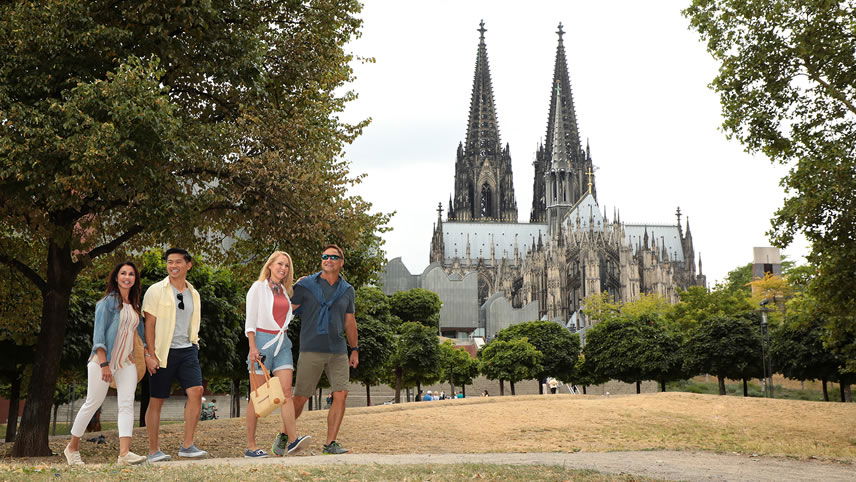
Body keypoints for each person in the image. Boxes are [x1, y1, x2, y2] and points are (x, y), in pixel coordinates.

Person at [64, 262, 147, 466]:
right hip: (102, 362)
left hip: (125, 363)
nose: (127, 277)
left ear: (135, 279)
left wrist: (146, 355)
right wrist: (104, 364)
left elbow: (140, 336)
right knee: (92, 403)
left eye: (131, 274)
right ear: (116, 277)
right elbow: (98, 337)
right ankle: (72, 447)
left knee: (126, 405)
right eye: (123, 273)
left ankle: (124, 454)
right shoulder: (107, 303)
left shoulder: (134, 306)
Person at [291, 244, 358, 455]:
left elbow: (349, 321)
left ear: (341, 263)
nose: (328, 259)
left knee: (341, 393)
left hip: (338, 350)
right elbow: (286, 310)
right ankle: (285, 435)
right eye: (325, 256)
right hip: (311, 347)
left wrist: (354, 348)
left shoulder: (347, 290)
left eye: (333, 257)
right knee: (301, 396)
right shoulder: (305, 285)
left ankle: (330, 443)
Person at [142, 248, 207, 462]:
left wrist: (194, 344)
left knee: (196, 391)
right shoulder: (156, 290)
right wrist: (150, 354)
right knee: (157, 400)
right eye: (170, 262)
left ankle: (187, 445)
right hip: (162, 351)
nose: (173, 266)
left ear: (188, 265)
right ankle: (153, 451)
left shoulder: (194, 293)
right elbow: (149, 324)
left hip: (187, 349)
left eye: (178, 261)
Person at [244, 251, 310, 458]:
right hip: (262, 342)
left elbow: (286, 313)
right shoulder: (258, 287)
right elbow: (250, 320)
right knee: (258, 396)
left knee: (286, 392)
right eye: (280, 264)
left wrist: (303, 284)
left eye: (287, 266)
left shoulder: (283, 290)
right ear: (270, 265)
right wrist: (253, 347)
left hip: (283, 342)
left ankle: (292, 440)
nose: (283, 268)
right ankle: (251, 446)